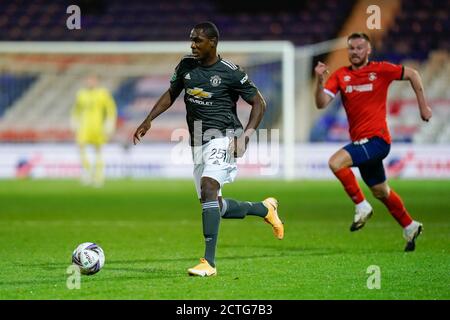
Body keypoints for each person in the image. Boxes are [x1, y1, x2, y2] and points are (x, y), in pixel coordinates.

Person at [133, 21, 284, 277]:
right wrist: (149, 118)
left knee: (208, 187)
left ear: (212, 43)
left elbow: (259, 102)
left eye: (197, 41)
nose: (192, 45)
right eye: (191, 40)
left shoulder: (230, 72)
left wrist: (246, 136)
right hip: (198, 141)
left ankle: (208, 263)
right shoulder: (186, 66)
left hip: (224, 136)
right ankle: (265, 209)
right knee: (217, 205)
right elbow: (172, 93)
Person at [314, 32, 432, 251]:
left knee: (335, 162)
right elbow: (321, 103)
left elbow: (413, 74)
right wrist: (320, 81)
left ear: (368, 50)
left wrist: (423, 106)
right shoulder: (341, 75)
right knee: (381, 191)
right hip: (363, 144)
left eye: (360, 48)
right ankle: (410, 225)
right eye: (351, 48)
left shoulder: (381, 70)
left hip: (377, 141)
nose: (355, 52)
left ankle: (361, 206)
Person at [71, 74, 117, 187]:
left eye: (92, 80)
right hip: (84, 127)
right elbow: (76, 110)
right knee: (80, 147)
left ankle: (98, 176)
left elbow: (111, 109)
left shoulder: (103, 93)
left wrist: (109, 123)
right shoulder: (81, 94)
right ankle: (87, 173)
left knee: (99, 151)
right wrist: (74, 121)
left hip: (98, 127)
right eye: (88, 80)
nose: (90, 82)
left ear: (97, 81)